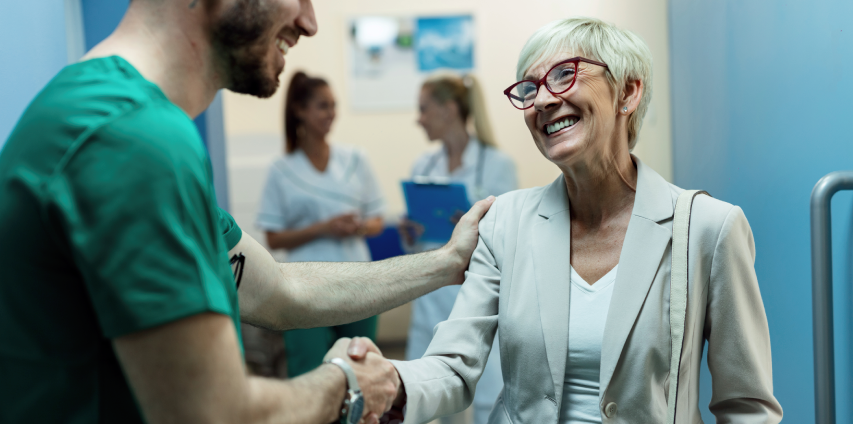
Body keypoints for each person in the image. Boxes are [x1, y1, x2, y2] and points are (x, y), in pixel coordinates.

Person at [0, 1, 496, 423]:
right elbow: (215, 412)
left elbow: (280, 292)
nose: (309, 21)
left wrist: (447, 262)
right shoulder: (133, 139)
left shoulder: (108, 111)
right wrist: (348, 383)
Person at [381, 17, 783, 424]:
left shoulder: (708, 228)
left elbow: (747, 408)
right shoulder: (505, 222)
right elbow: (454, 365)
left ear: (627, 91)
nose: (540, 101)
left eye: (563, 75)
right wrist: (387, 382)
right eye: (530, 88)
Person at [399, 73, 517, 424]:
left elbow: (509, 236)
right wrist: (410, 232)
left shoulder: (497, 165)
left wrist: (470, 225)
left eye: (423, 109)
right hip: (431, 294)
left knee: (485, 398)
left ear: (449, 110)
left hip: (475, 294)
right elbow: (415, 244)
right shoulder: (423, 166)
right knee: (420, 396)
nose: (418, 118)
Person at [257, 71, 385, 377]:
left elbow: (377, 221)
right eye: (322, 106)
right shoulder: (282, 169)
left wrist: (358, 228)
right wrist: (323, 228)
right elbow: (273, 239)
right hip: (305, 286)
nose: (331, 114)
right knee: (309, 372)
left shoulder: (356, 159)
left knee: (361, 371)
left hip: (358, 281)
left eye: (334, 105)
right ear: (300, 110)